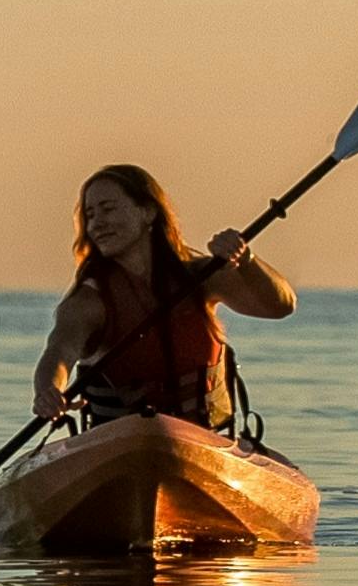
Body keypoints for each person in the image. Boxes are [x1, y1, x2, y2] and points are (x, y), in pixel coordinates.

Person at [27, 164, 294, 432]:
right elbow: (60, 352)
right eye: (90, 215)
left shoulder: (200, 277)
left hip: (205, 439)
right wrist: (49, 391)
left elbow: (280, 306)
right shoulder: (88, 302)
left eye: (108, 209)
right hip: (123, 443)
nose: (97, 224)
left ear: (148, 212)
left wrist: (247, 261)